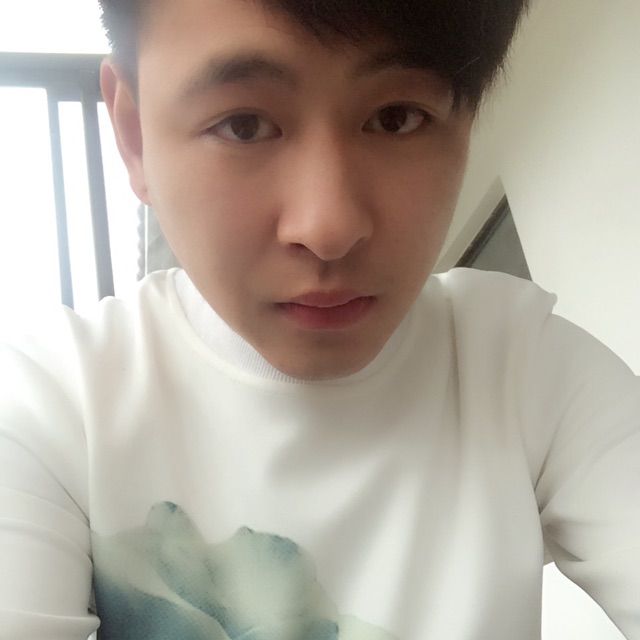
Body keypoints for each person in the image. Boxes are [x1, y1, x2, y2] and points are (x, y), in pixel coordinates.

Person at [1, 1, 638, 638]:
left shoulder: (526, 373)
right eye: (244, 125)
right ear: (134, 136)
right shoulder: (51, 408)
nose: (328, 227)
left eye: (396, 117)